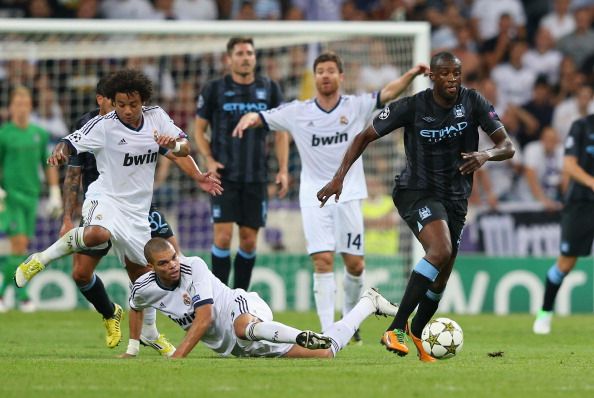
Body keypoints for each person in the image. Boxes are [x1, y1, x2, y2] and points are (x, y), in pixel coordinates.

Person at [317, 52, 515, 362]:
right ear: (432, 77)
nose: (452, 78)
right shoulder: (413, 106)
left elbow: (508, 146)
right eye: (445, 73)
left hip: (455, 198)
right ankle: (395, 328)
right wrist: (338, 178)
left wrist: (485, 155)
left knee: (441, 275)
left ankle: (418, 335)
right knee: (439, 251)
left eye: (456, 73)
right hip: (416, 190)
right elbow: (363, 136)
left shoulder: (474, 102)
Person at [14, 69, 222, 353]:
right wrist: (61, 151)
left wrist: (190, 166)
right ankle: (40, 259)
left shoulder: (157, 117)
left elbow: (183, 148)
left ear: (143, 101)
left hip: (137, 212)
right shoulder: (104, 125)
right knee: (99, 233)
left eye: (133, 104)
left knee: (146, 276)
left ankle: (148, 333)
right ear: (112, 101)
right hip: (106, 197)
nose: (126, 110)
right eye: (120, 104)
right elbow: (70, 141)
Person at [233, 51, 428, 337]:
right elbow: (262, 117)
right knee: (322, 260)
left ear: (340, 76)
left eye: (330, 70)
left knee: (355, 263)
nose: (325, 75)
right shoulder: (298, 111)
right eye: (320, 71)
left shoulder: (356, 105)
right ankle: (328, 331)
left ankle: (349, 320)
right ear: (315, 77)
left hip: (349, 194)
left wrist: (411, 75)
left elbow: (387, 92)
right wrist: (248, 118)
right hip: (315, 196)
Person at [123, 237, 400, 359]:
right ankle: (369, 303)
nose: (173, 264)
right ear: (150, 267)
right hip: (238, 348)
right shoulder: (143, 287)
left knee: (242, 327)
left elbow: (204, 319)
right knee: (325, 353)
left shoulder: (192, 265)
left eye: (173, 257)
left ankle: (298, 335)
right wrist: (134, 346)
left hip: (241, 307)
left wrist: (178, 357)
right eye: (164, 262)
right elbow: (136, 306)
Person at [194, 36, 289, 291]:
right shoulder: (214, 89)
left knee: (248, 241)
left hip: (256, 176)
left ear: (255, 58)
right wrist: (209, 160)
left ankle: (240, 300)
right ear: (229, 59)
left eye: (249, 53)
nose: (245, 57)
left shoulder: (270, 89)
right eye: (240, 53)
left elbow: (281, 131)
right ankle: (218, 299)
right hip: (224, 175)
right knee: (223, 237)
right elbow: (199, 129)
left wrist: (282, 169)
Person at [0, 86, 62, 313]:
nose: (21, 107)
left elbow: (48, 163)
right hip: (11, 197)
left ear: (30, 107)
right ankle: (22, 296)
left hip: (32, 196)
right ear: (10, 107)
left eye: (25, 103)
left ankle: (8, 295)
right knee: (17, 244)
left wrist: (55, 191)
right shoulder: (4, 134)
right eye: (17, 103)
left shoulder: (39, 133)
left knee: (22, 246)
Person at [533, 113, 594, 335]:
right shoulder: (582, 126)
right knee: (565, 265)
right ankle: (544, 313)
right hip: (581, 203)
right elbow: (569, 165)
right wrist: (592, 183)